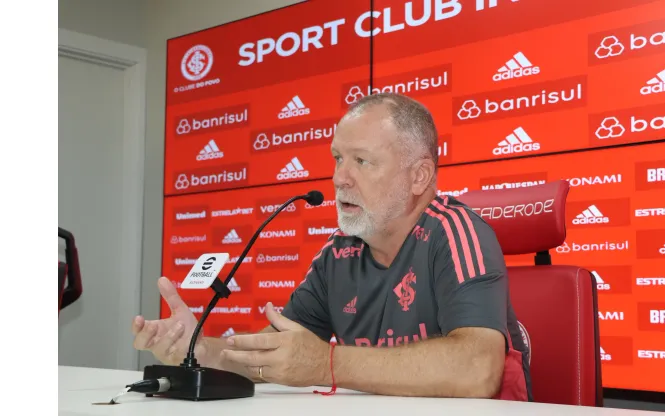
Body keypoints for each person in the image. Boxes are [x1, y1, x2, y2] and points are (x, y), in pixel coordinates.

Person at [132, 92, 532, 400]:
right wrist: (200, 351)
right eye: (338, 158)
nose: (340, 177)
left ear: (419, 176)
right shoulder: (338, 253)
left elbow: (480, 369)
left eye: (362, 161)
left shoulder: (457, 232)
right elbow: (275, 358)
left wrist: (326, 363)